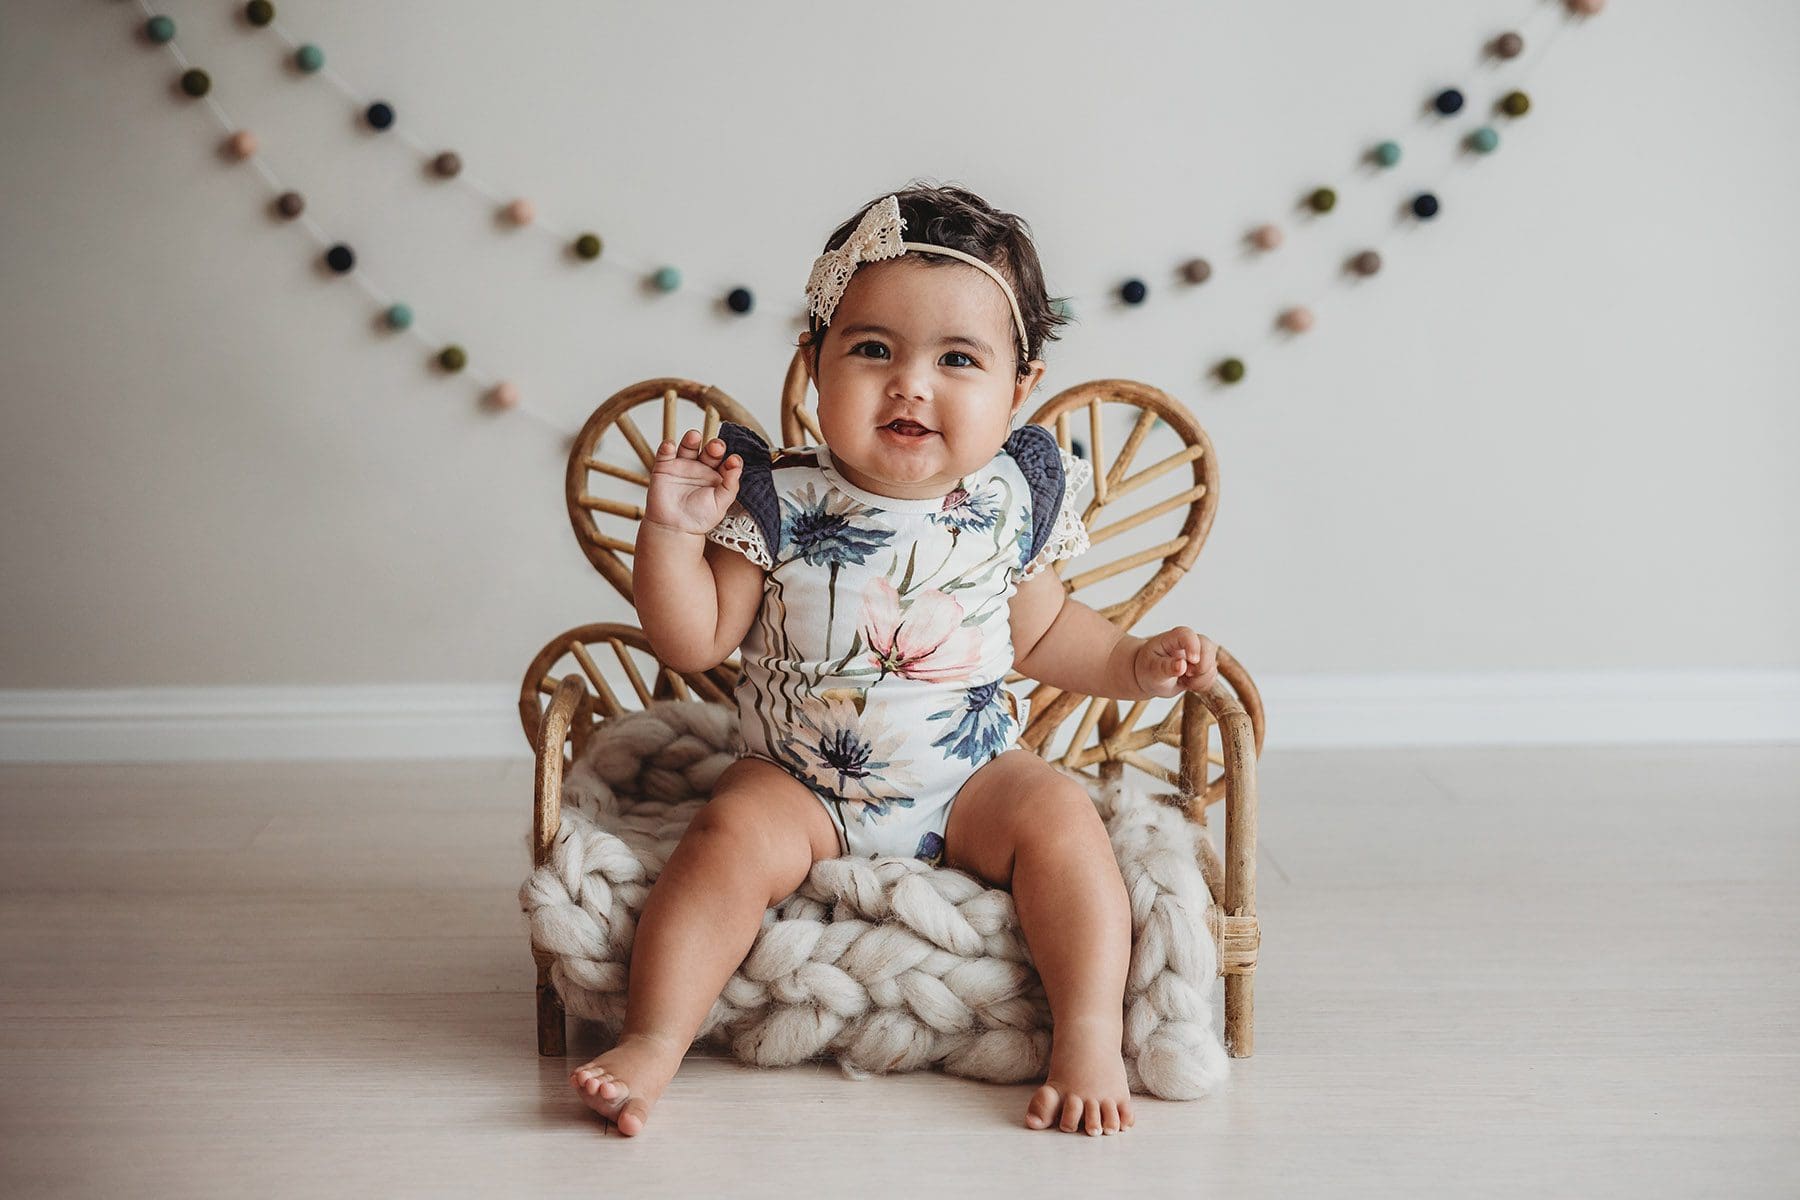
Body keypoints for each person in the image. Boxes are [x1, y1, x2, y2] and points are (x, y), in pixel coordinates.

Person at [571, 183, 1219, 1138]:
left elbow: (1044, 635)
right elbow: (694, 642)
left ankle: (1087, 1033)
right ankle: (654, 1040)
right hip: (798, 783)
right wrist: (671, 536)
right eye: (872, 349)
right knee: (720, 846)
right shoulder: (776, 499)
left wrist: (1133, 665)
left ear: (1019, 388)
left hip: (970, 779)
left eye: (958, 358)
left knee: (1066, 822)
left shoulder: (1010, 498)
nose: (911, 382)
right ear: (814, 363)